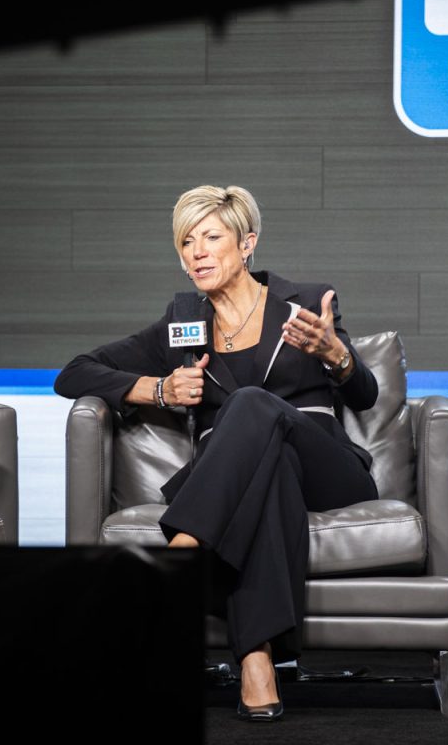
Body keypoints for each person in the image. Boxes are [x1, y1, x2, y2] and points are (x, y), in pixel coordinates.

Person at [54, 185, 379, 721]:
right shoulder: (184, 325)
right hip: (256, 482)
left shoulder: (306, 304)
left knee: (253, 404)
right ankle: (256, 660)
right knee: (268, 476)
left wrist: (336, 354)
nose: (197, 251)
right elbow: (75, 372)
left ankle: (183, 545)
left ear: (247, 243)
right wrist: (157, 390)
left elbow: (364, 395)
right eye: (186, 242)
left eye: (211, 237)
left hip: (329, 468)